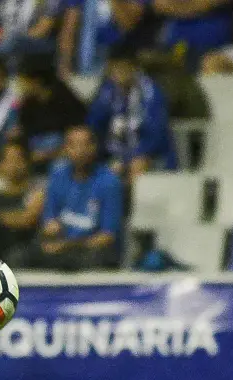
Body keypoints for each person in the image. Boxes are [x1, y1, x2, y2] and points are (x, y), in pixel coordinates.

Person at [23, 126, 124, 270]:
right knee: (21, 255)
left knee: (88, 258)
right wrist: (50, 233)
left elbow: (107, 236)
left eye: (85, 145)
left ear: (94, 148)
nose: (80, 151)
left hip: (91, 249)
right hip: (60, 246)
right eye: (73, 145)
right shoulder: (58, 176)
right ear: (65, 149)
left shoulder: (110, 182)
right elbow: (49, 222)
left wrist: (67, 245)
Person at [86, 45, 177, 182]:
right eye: (114, 69)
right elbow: (93, 125)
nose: (118, 73)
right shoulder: (106, 91)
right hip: (113, 153)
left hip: (149, 153)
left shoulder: (151, 93)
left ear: (134, 68)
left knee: (136, 165)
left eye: (123, 68)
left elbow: (156, 136)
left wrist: (126, 158)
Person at [11, 54, 87, 172]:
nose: (20, 85)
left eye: (23, 80)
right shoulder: (28, 102)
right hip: (35, 149)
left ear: (36, 81)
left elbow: (76, 132)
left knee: (59, 164)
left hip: (60, 151)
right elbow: (24, 131)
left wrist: (49, 154)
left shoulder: (64, 97)